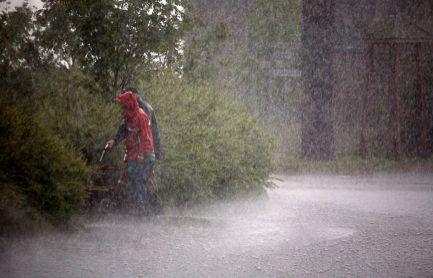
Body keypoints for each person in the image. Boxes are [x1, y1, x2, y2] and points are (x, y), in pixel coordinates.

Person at [107, 91, 155, 213]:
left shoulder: (141, 116)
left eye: (123, 106)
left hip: (146, 155)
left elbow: (145, 137)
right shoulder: (127, 117)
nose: (121, 109)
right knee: (132, 177)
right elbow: (121, 132)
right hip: (134, 155)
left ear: (129, 104)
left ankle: (143, 209)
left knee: (138, 179)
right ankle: (138, 207)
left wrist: (141, 154)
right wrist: (113, 141)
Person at [107, 87, 163, 160]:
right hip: (136, 152)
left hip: (144, 154)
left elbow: (147, 133)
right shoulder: (130, 110)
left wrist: (151, 152)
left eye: (127, 95)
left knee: (138, 170)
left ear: (133, 95)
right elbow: (125, 127)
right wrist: (115, 140)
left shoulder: (143, 110)